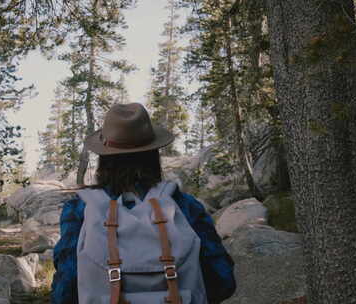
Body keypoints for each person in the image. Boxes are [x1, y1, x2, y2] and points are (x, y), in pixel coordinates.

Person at [51, 103, 235, 304]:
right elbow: (223, 281)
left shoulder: (80, 208)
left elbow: (64, 290)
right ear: (153, 154)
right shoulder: (183, 205)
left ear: (103, 158)